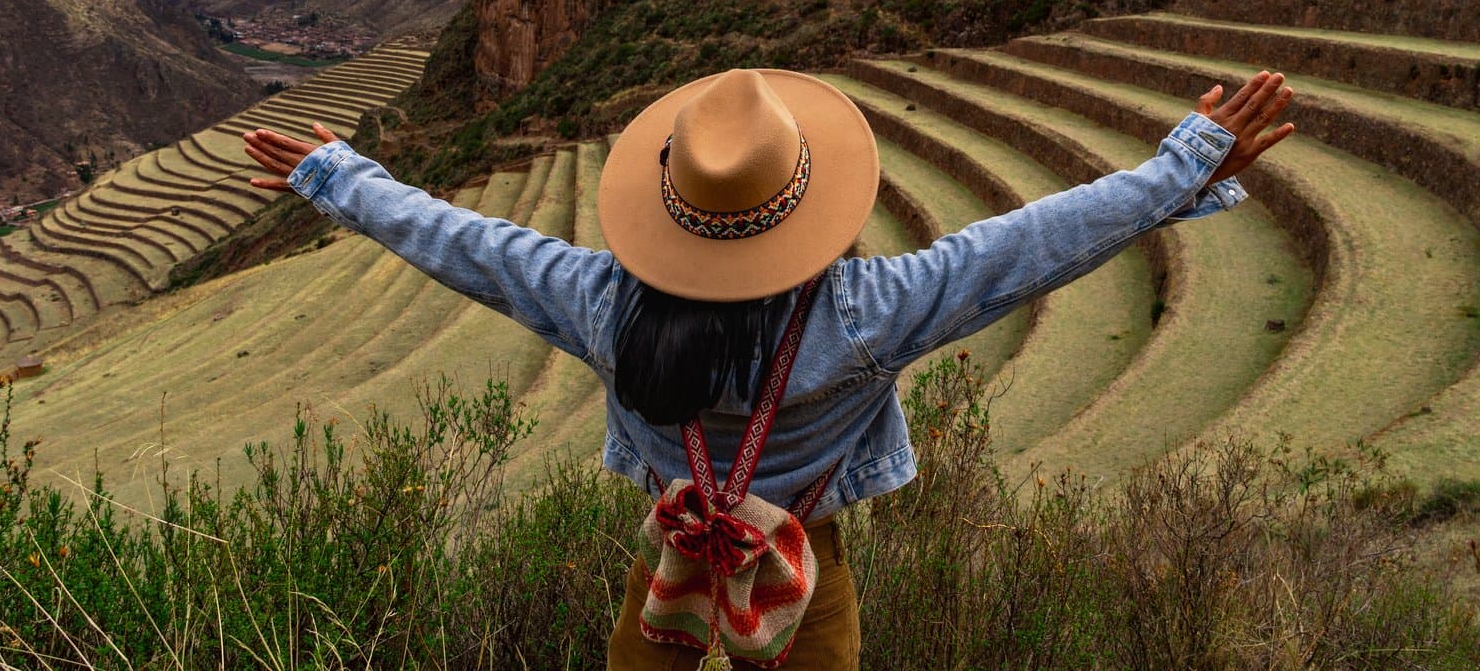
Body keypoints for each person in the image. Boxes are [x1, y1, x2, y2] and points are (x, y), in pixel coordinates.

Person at [245, 66, 1294, 669]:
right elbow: (1032, 243)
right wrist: (1178, 170)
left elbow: (462, 243)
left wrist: (333, 175)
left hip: (674, 551)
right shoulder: (871, 311)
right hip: (805, 557)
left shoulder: (599, 302)